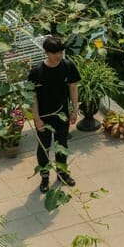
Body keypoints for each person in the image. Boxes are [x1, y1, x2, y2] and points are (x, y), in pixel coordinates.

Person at [27, 35, 81, 194]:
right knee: (44, 148)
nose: (59, 56)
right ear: (46, 52)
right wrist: (36, 118)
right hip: (44, 116)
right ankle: (44, 177)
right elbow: (32, 96)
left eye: (61, 52)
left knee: (62, 145)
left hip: (62, 113)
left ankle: (62, 173)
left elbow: (73, 88)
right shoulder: (37, 72)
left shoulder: (68, 66)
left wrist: (74, 109)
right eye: (55, 53)